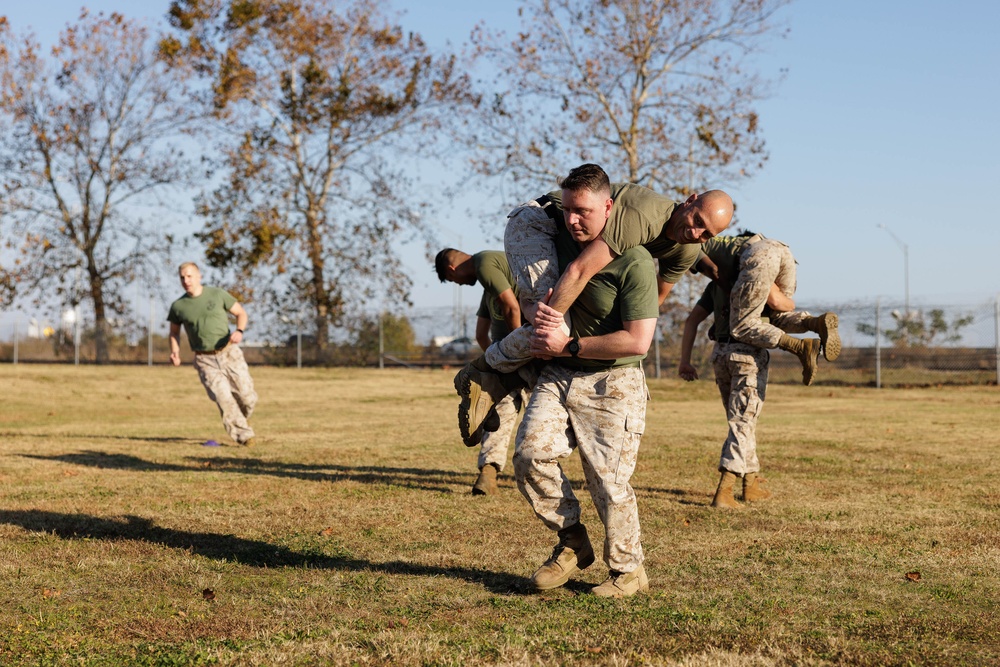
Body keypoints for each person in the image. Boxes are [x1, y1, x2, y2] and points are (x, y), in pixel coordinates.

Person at [455, 164, 734, 443]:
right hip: (538, 224)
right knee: (554, 329)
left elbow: (654, 298)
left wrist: (625, 332)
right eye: (697, 220)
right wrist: (547, 326)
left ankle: (499, 384)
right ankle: (482, 371)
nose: (696, 233)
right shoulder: (642, 216)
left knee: (561, 334)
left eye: (707, 233)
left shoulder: (688, 250)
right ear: (690, 200)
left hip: (569, 241)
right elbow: (580, 270)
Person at [513, 166, 659, 598]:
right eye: (568, 210)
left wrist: (567, 346)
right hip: (560, 375)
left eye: (585, 212)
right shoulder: (557, 238)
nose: (573, 220)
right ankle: (573, 540)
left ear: (609, 207)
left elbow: (637, 340)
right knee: (529, 455)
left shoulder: (634, 261)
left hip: (614, 381)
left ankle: (629, 572)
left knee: (608, 482)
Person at [679, 233, 840, 508]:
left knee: (741, 420)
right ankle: (725, 490)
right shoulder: (756, 281)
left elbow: (692, 321)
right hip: (748, 355)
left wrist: (685, 360)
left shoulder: (716, 285)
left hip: (720, 353)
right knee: (742, 422)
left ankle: (751, 483)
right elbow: (780, 308)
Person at [434, 248, 528, 495]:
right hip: (515, 360)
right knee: (519, 415)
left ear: (451, 270)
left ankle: (489, 473)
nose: (461, 285)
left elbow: (511, 308)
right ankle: (489, 476)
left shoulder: (485, 263)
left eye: (454, 281)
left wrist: (512, 353)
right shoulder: (489, 283)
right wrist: (498, 360)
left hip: (525, 357)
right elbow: (479, 334)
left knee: (507, 414)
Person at [697, 233, 841, 385]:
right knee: (775, 317)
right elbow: (778, 305)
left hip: (761, 256)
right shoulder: (723, 243)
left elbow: (713, 271)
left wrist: (735, 304)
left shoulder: (688, 246)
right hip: (782, 250)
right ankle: (815, 322)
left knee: (741, 326)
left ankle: (801, 347)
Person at [168, 262, 257, 447]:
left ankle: (241, 419)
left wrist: (239, 331)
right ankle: (244, 437)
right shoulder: (178, 306)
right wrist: (175, 352)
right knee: (224, 398)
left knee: (247, 397)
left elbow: (241, 313)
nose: (186, 280)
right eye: (182, 277)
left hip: (229, 352)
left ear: (199, 276)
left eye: (189, 276)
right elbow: (174, 332)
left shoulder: (217, 294)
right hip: (204, 359)